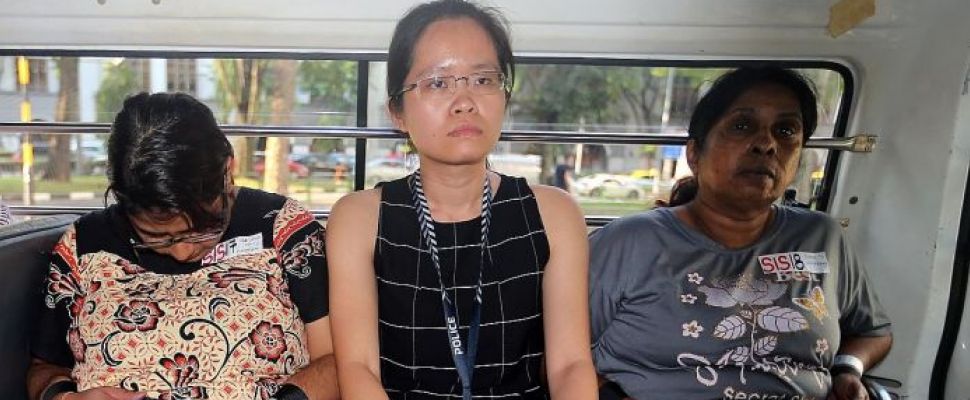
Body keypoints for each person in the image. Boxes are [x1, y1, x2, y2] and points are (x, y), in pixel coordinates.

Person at [325, 1, 597, 399]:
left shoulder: (553, 214)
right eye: (438, 83)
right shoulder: (359, 219)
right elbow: (358, 368)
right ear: (397, 111)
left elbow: (570, 364)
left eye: (483, 80)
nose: (465, 101)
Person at [589, 67, 892, 399]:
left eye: (786, 130)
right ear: (694, 154)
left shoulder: (822, 238)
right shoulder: (628, 243)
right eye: (742, 126)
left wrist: (847, 370)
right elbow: (559, 351)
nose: (766, 144)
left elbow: (872, 331)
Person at [27, 92, 338, 400]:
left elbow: (337, 359)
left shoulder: (282, 229)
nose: (182, 252)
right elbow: (44, 367)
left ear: (227, 170)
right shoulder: (84, 246)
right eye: (156, 237)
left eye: (202, 230)